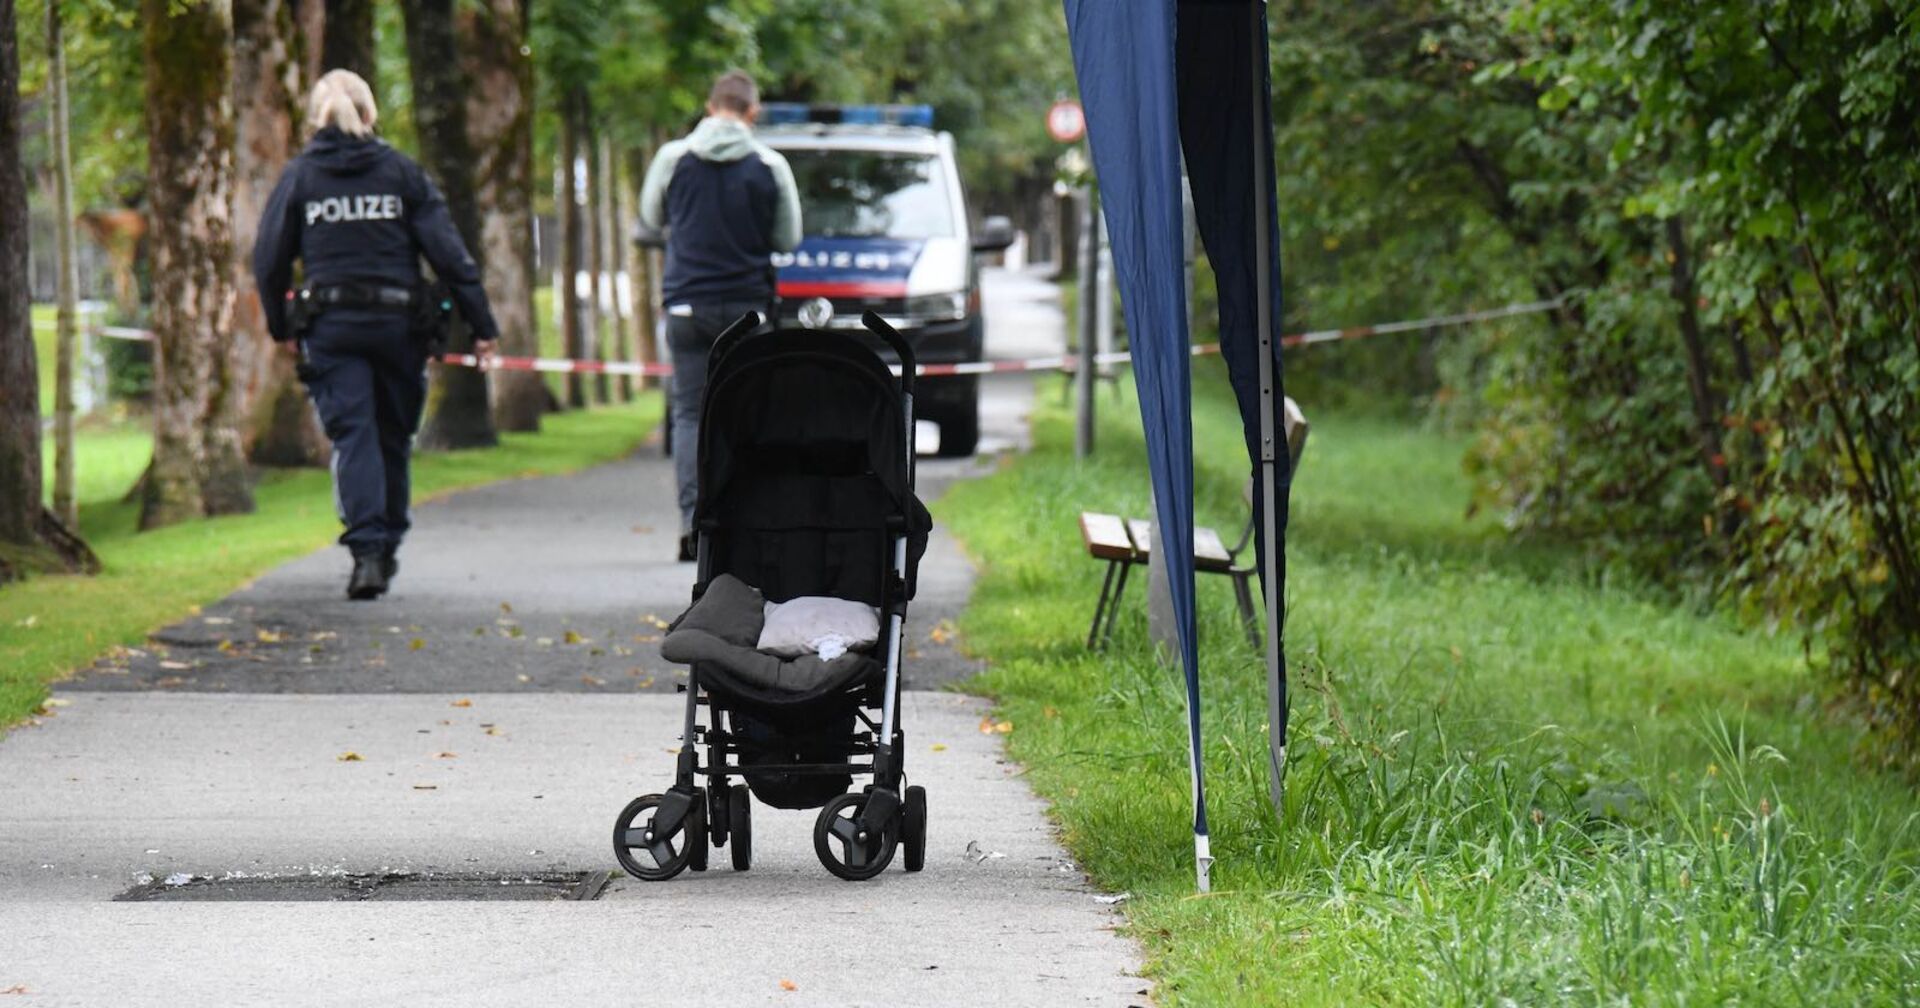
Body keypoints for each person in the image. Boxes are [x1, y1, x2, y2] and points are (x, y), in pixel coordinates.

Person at [252, 69, 499, 600]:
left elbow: (268, 260)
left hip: (332, 330)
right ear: (369, 115)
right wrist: (482, 327)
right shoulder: (402, 174)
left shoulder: (300, 179)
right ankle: (385, 546)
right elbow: (451, 257)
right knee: (391, 435)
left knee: (354, 435)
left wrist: (281, 325)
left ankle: (366, 552)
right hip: (399, 329)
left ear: (316, 119)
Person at [639, 70, 802, 562]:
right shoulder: (770, 165)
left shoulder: (672, 158)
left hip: (687, 306)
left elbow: (650, 218)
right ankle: (739, 525)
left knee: (689, 413)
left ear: (710, 108)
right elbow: (788, 239)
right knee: (746, 414)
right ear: (752, 112)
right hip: (748, 311)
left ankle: (693, 526)